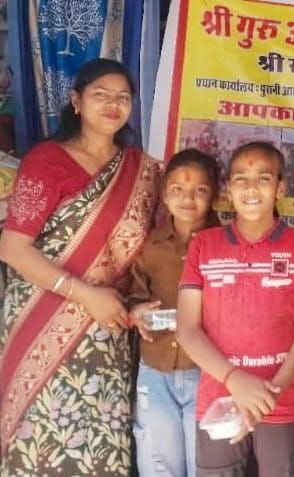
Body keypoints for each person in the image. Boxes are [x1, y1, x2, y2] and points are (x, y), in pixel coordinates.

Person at [0, 58, 161, 475]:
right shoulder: (47, 161)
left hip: (107, 327)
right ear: (76, 101)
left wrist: (136, 305)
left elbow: (147, 254)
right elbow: (13, 249)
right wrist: (85, 294)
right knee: (40, 436)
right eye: (100, 95)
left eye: (122, 97)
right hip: (41, 316)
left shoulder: (142, 170)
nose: (113, 104)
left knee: (98, 438)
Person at [175, 142, 294, 476]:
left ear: (281, 188)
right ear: (228, 190)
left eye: (263, 178)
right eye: (241, 179)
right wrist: (235, 381)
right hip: (219, 399)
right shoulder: (204, 245)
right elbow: (187, 329)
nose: (251, 188)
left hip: (282, 401)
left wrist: (269, 393)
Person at [127, 149, 221, 477]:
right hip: (155, 367)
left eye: (200, 190)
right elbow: (135, 295)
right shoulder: (151, 246)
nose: (187, 199)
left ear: (215, 196)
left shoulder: (225, 245)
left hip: (206, 370)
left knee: (204, 461)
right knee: (158, 461)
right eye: (177, 189)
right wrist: (136, 311)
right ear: (164, 194)